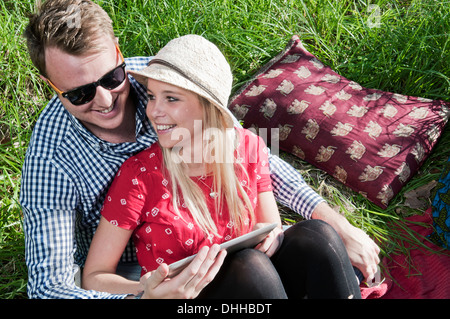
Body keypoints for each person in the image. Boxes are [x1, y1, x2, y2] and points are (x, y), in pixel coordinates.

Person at [20, 0, 379, 299]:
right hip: (141, 276)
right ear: (50, 85)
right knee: (250, 270)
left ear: (118, 52)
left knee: (317, 239)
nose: (105, 100)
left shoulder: (160, 77)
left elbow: (252, 157)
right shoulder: (52, 160)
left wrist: (334, 222)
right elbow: (50, 287)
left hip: (224, 241)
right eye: (79, 94)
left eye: (112, 78)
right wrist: (143, 296)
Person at [82, 34, 362, 299]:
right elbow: (94, 276)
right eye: (153, 96)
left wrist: (273, 238)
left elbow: (271, 226)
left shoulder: (247, 147)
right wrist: (144, 289)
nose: (154, 111)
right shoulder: (139, 176)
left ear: (208, 107)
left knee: (317, 236)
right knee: (250, 266)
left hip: (258, 287)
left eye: (171, 98)